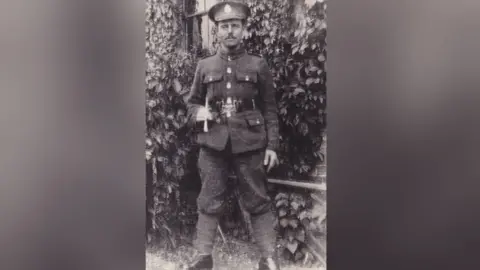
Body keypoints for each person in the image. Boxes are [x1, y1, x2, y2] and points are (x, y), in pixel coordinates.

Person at [184, 1, 281, 269]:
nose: (229, 31)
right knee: (209, 199)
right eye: (224, 26)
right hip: (213, 143)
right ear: (216, 31)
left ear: (244, 30)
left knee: (257, 199)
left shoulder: (258, 65)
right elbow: (192, 103)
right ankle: (203, 257)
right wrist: (198, 114)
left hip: (249, 142)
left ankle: (269, 258)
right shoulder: (205, 66)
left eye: (235, 26)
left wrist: (272, 145)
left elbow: (270, 109)